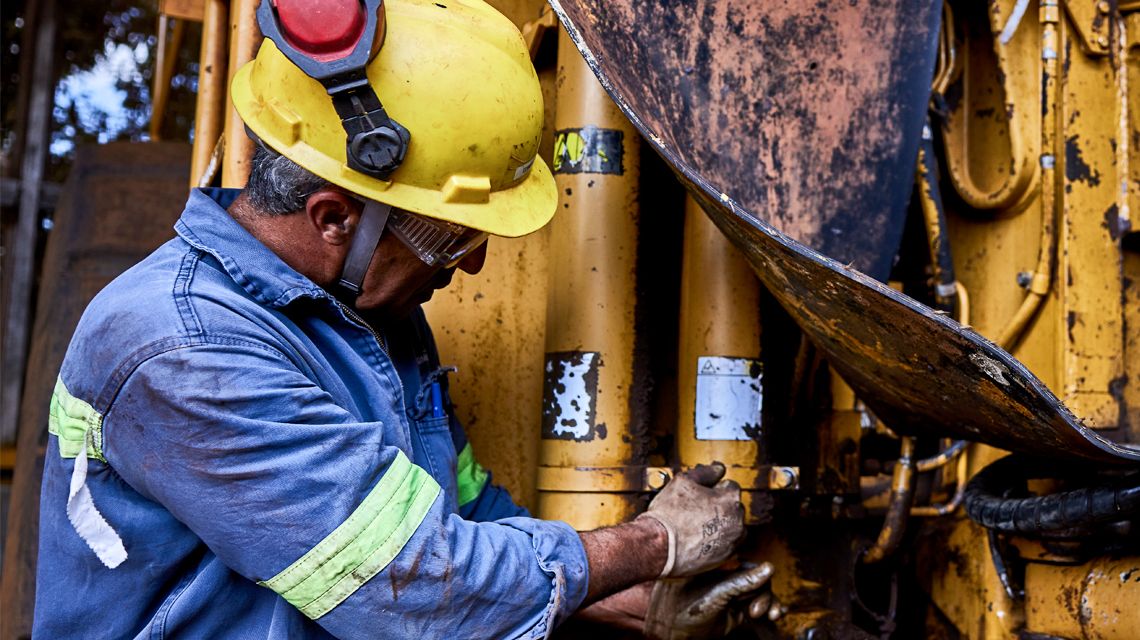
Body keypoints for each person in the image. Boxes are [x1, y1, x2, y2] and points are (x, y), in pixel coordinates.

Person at [34, 0, 773, 637]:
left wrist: (613, 601)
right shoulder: (181, 348)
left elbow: (469, 519)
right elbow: (415, 593)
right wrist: (654, 543)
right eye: (449, 238)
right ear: (333, 218)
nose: (472, 266)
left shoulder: (375, 322)